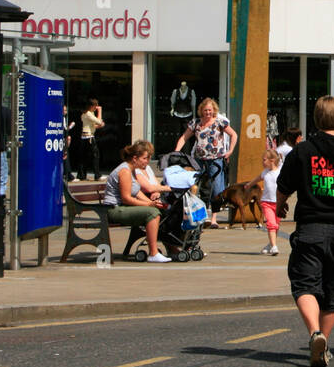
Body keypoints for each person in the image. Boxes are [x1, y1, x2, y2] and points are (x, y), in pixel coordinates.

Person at [276, 95, 334, 367]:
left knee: (304, 284)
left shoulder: (303, 151)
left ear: (317, 119)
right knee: (332, 288)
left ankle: (314, 333)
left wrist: (280, 206)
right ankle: (324, 343)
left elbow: (284, 184)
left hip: (310, 227)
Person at [102, 143, 171, 263]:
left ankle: (172, 248)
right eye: (145, 158)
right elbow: (126, 198)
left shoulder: (132, 170)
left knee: (161, 210)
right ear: (135, 158)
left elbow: (137, 192)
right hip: (114, 209)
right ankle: (153, 253)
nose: (147, 161)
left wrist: (152, 202)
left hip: (123, 207)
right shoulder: (125, 171)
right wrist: (149, 205)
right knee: (152, 213)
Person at [175, 97, 238, 228]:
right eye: (205, 110)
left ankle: (214, 218)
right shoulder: (195, 123)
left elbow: (234, 135)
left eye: (210, 110)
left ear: (214, 110)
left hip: (216, 159)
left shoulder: (220, 122)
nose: (207, 113)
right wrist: (176, 152)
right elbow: (184, 137)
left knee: (216, 188)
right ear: (201, 110)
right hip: (199, 160)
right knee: (197, 187)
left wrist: (230, 151)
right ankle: (200, 216)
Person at [257, 148, 282, 256]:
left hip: (278, 203)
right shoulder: (265, 172)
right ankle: (274, 247)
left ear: (272, 160)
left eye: (264, 160)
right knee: (271, 224)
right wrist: (249, 185)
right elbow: (258, 178)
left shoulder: (280, 172)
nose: (262, 162)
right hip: (266, 202)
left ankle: (271, 244)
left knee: (276, 225)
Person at [79, 98, 104, 180]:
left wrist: (98, 125)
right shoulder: (89, 114)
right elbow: (99, 121)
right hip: (89, 137)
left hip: (85, 136)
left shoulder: (85, 114)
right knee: (95, 156)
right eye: (95, 106)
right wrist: (100, 111)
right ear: (92, 106)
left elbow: (91, 125)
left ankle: (82, 175)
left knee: (84, 156)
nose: (96, 108)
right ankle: (97, 175)